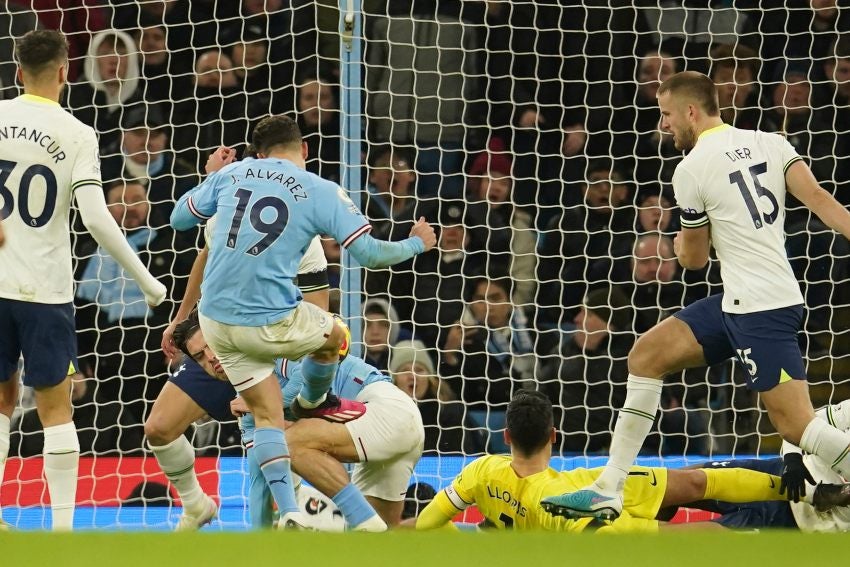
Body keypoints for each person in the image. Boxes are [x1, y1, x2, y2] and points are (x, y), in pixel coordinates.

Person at [542, 70, 850, 522]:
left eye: (666, 114)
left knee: (797, 426)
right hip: (741, 300)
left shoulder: (691, 169)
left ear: (690, 111)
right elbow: (822, 201)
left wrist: (681, 244)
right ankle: (609, 487)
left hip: (761, 308)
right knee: (646, 355)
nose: (663, 124)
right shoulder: (772, 141)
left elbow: (694, 259)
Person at [170, 115, 435, 528]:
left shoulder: (233, 174)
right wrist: (418, 241)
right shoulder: (319, 191)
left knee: (263, 424)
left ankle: (288, 515)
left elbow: (177, 220)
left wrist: (211, 180)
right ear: (305, 149)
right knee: (335, 334)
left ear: (258, 155)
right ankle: (314, 399)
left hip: (217, 322)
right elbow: (369, 255)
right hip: (271, 321)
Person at [0, 30, 166, 530]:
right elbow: (95, 217)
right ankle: (66, 529)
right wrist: (146, 280)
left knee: (2, 402)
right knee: (56, 409)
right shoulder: (78, 133)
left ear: (16, 72)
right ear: (67, 71)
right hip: (45, 290)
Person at [415, 390, 849, 532]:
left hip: (594, 498)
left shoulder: (479, 470)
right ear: (555, 435)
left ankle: (810, 492)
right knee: (698, 490)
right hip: (597, 495)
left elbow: (431, 522)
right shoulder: (535, 494)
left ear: (504, 435)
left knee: (695, 494)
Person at [170, 312, 424, 530]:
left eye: (211, 345)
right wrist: (260, 546)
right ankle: (441, 533)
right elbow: (260, 480)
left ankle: (358, 519)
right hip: (382, 438)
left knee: (287, 442)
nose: (211, 357)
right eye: (200, 356)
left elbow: (305, 377)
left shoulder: (265, 352)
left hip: (386, 409)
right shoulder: (247, 405)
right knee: (382, 545)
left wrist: (267, 402)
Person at [690, 400, 850, 532]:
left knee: (701, 535)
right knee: (690, 480)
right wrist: (793, 458)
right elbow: (803, 424)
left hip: (799, 524)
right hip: (783, 474)